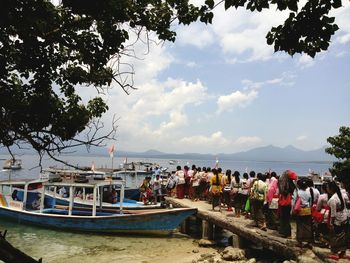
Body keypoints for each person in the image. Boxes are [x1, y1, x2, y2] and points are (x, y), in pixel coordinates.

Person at [327, 181, 349, 260]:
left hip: (338, 220)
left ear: (330, 188)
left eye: (327, 187)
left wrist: (331, 223)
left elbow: (333, 214)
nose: (327, 189)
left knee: (335, 236)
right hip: (344, 218)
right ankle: (343, 253)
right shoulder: (340, 195)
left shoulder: (333, 199)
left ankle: (335, 253)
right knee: (343, 236)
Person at [294, 178, 313, 248]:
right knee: (308, 226)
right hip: (307, 210)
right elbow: (310, 202)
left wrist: (293, 210)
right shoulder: (308, 192)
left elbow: (295, 202)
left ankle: (300, 242)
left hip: (300, 210)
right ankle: (309, 241)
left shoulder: (298, 192)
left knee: (300, 226)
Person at [278, 170, 297, 238]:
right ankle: (286, 232)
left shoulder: (284, 183)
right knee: (286, 218)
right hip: (289, 202)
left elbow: (283, 191)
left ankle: (286, 232)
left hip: (286, 203)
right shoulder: (291, 184)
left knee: (285, 218)